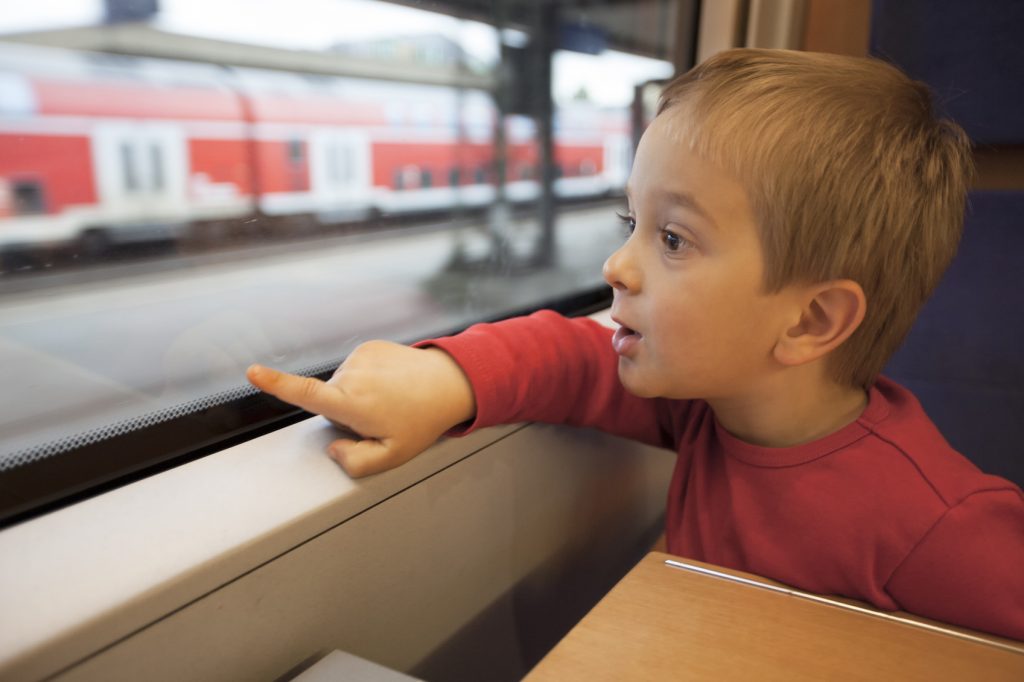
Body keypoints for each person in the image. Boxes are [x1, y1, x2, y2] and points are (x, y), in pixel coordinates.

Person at [247, 49, 1024, 641]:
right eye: (632, 226)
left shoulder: (937, 522)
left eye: (674, 239)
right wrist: (446, 379)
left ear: (809, 323)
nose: (617, 267)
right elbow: (577, 360)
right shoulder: (709, 406)